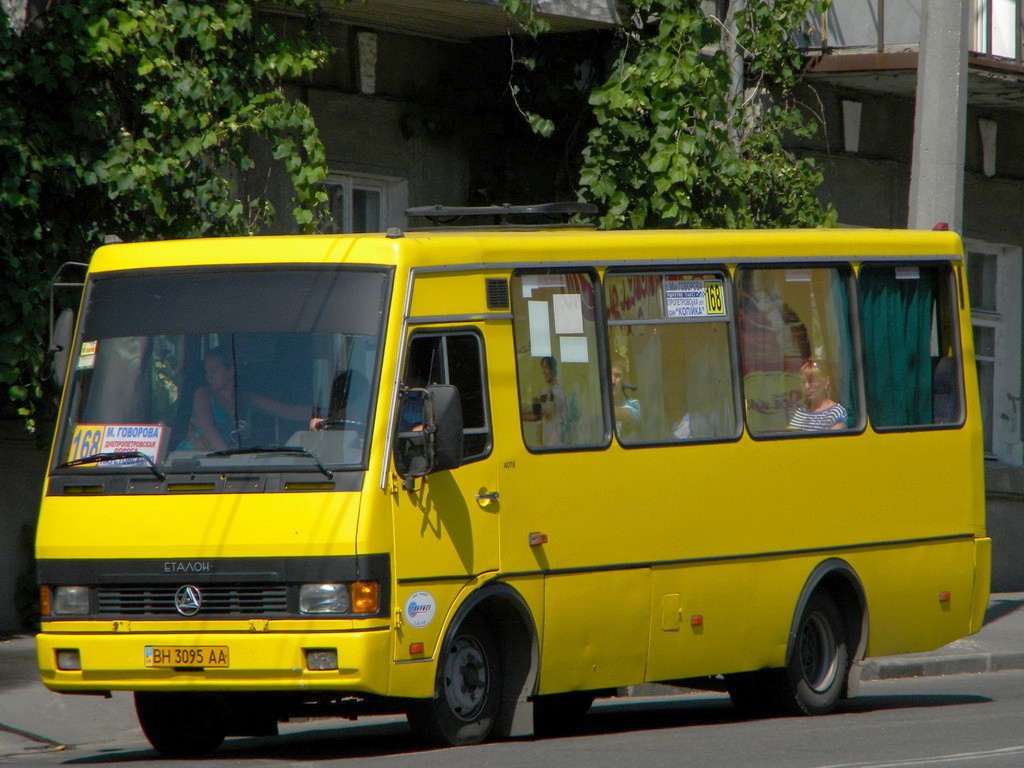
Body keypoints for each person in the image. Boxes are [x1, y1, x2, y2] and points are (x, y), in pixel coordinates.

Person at [178, 347, 310, 451]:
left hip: (226, 462)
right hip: (195, 464)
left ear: (231, 370)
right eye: (207, 371)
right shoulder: (203, 394)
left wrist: (324, 412)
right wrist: (228, 457)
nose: (209, 376)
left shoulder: (246, 399)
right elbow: (207, 428)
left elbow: (287, 410)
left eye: (213, 370)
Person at [788, 359, 847, 431]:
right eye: (804, 382)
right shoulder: (801, 411)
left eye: (811, 381)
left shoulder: (835, 413)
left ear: (826, 382)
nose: (807, 386)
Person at [523, 356, 566, 446]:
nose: (544, 372)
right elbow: (537, 416)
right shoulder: (543, 392)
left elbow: (558, 414)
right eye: (543, 369)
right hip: (547, 443)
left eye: (546, 367)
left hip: (557, 442)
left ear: (552, 369)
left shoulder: (559, 390)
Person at [611, 356, 641, 437]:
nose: (612, 381)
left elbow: (617, 413)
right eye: (608, 375)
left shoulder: (634, 404)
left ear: (624, 380)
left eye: (617, 376)